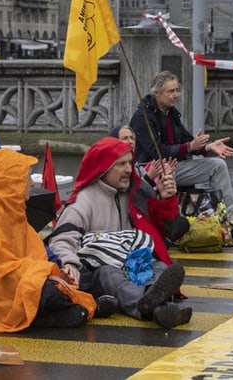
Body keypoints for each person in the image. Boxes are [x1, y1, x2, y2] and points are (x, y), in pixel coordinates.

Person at [0, 149, 106, 332]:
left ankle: (72, 309)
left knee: (81, 274)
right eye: (25, 177)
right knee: (46, 292)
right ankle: (67, 312)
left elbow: (35, 251)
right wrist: (42, 273)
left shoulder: (13, 208)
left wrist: (57, 268)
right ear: (11, 181)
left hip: (20, 277)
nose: (30, 182)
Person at [48, 137, 193, 329]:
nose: (128, 169)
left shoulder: (135, 194)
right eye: (121, 164)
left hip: (135, 265)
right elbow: (61, 241)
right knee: (109, 274)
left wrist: (165, 199)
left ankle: (156, 305)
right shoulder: (82, 202)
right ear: (104, 167)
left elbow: (164, 229)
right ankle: (150, 302)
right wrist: (69, 262)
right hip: (99, 272)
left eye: (130, 163)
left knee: (160, 266)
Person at [129, 72, 233, 241]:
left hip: (175, 166)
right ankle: (170, 227)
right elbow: (157, 151)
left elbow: (188, 142)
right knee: (168, 172)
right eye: (170, 91)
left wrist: (207, 146)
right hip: (152, 169)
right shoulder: (142, 116)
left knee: (218, 165)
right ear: (157, 93)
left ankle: (226, 222)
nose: (175, 95)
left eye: (176, 90)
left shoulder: (171, 113)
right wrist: (189, 146)